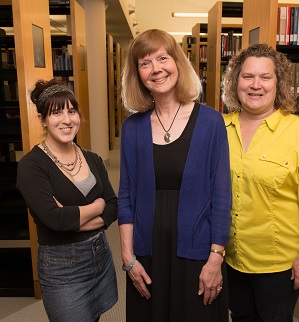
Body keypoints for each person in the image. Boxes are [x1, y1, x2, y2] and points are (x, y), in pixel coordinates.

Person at [118, 29, 232, 322]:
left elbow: (221, 198)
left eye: (162, 58)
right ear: (138, 74)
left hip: (197, 253)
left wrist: (216, 259)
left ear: (177, 63)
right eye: (145, 63)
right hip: (147, 254)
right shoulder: (132, 128)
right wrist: (128, 258)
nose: (156, 69)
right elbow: (126, 197)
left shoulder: (211, 122)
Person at [221, 43, 299, 321]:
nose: (255, 85)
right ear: (235, 82)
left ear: (279, 83)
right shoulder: (218, 128)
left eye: (265, 77)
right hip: (231, 258)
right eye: (247, 76)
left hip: (280, 264)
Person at [16, 78, 118, 322]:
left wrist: (78, 216)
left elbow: (114, 205)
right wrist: (97, 206)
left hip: (100, 255)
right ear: (42, 119)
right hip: (62, 267)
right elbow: (55, 219)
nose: (67, 120)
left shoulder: (92, 158)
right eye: (56, 112)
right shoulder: (32, 166)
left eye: (72, 111)